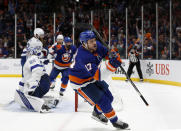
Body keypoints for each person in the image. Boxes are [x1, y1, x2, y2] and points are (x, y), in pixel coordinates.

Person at [69, 30, 129, 129]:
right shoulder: (83, 56)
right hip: (80, 83)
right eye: (90, 41)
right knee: (104, 101)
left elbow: (106, 53)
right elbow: (98, 76)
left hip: (90, 77)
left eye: (94, 40)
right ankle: (115, 121)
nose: (94, 43)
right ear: (84, 43)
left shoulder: (97, 46)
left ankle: (96, 113)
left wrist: (112, 55)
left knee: (110, 98)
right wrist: (112, 65)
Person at [14, 38, 59, 113]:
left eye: (28, 47)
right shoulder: (34, 58)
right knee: (32, 94)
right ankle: (48, 101)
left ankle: (41, 105)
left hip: (42, 82)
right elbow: (28, 75)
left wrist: (32, 86)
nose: (27, 49)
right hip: (43, 81)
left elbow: (37, 70)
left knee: (32, 96)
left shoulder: (32, 58)